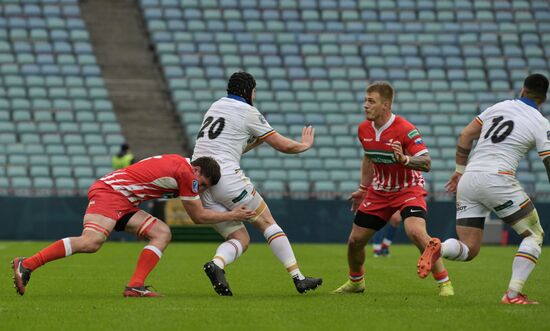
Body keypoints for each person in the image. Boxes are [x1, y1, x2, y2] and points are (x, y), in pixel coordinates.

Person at [11, 155, 255, 297]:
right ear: (197, 170)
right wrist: (232, 214)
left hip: (125, 199)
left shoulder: (182, 165)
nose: (199, 190)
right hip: (111, 192)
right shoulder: (186, 173)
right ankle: (28, 264)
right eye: (201, 184)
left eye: (202, 187)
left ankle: (135, 286)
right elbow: (198, 217)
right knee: (91, 242)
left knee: (161, 232)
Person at [418, 73, 550, 304]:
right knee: (534, 234)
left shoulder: (498, 107)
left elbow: (465, 135)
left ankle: (438, 246)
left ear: (522, 90)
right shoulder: (540, 122)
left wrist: (459, 170)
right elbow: (548, 159)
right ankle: (512, 295)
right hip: (498, 178)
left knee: (469, 249)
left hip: (469, 179)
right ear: (544, 99)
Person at [192, 71, 322, 296]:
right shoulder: (248, 111)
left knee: (239, 237)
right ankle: (298, 278)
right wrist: (304, 145)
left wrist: (255, 142)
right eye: (254, 91)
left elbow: (229, 144)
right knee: (266, 222)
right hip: (226, 178)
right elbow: (284, 146)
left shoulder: (215, 106)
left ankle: (217, 264)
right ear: (248, 91)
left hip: (200, 181)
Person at [333, 81, 454, 296]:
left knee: (416, 233)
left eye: (371, 101)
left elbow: (426, 162)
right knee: (355, 241)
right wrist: (362, 189)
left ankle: (444, 282)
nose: (365, 105)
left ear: (386, 105)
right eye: (365, 100)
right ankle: (356, 282)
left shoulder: (405, 129)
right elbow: (369, 158)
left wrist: (405, 159)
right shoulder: (363, 129)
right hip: (379, 191)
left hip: (408, 189)